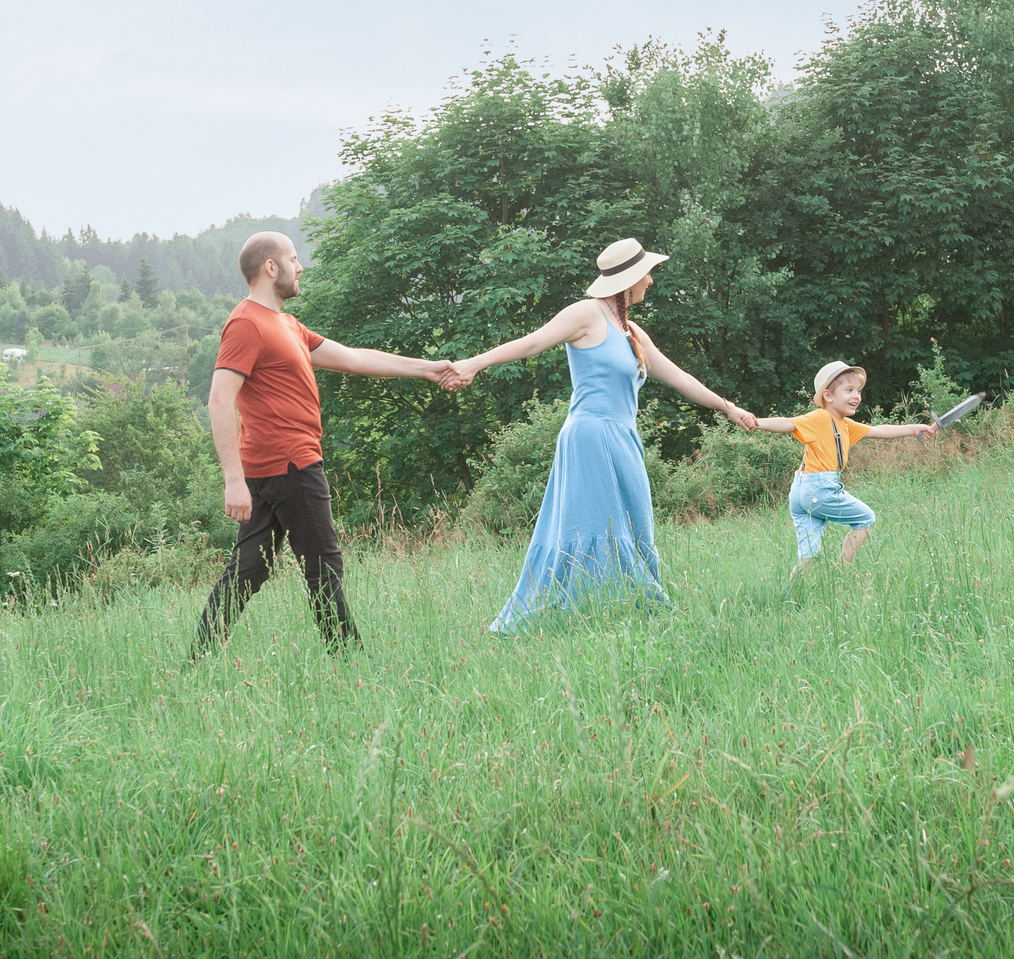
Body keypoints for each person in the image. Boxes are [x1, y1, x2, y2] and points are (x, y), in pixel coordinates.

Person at [450, 238, 759, 633]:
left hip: (623, 438)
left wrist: (728, 407)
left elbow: (679, 377)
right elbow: (532, 343)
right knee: (595, 525)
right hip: (590, 435)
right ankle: (575, 616)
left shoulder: (631, 331)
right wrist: (474, 364)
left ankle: (628, 609)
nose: (651, 281)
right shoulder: (586, 314)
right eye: (646, 273)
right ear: (628, 280)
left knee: (636, 523)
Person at [188, 231, 455, 658]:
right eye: (294, 259)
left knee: (248, 571)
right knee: (324, 567)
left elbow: (355, 358)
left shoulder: (287, 325)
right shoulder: (246, 323)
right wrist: (232, 480)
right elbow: (219, 399)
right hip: (290, 465)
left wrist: (427, 368)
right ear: (270, 267)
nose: (300, 267)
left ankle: (196, 660)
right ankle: (348, 662)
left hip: (276, 467)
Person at [750, 361, 931, 578]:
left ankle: (791, 592)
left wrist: (914, 429)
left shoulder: (845, 425)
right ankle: (843, 571)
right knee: (865, 519)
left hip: (801, 492)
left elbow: (879, 430)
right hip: (818, 489)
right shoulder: (820, 417)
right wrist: (757, 422)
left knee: (808, 556)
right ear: (828, 396)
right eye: (849, 390)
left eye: (858, 391)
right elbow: (789, 423)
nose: (856, 396)